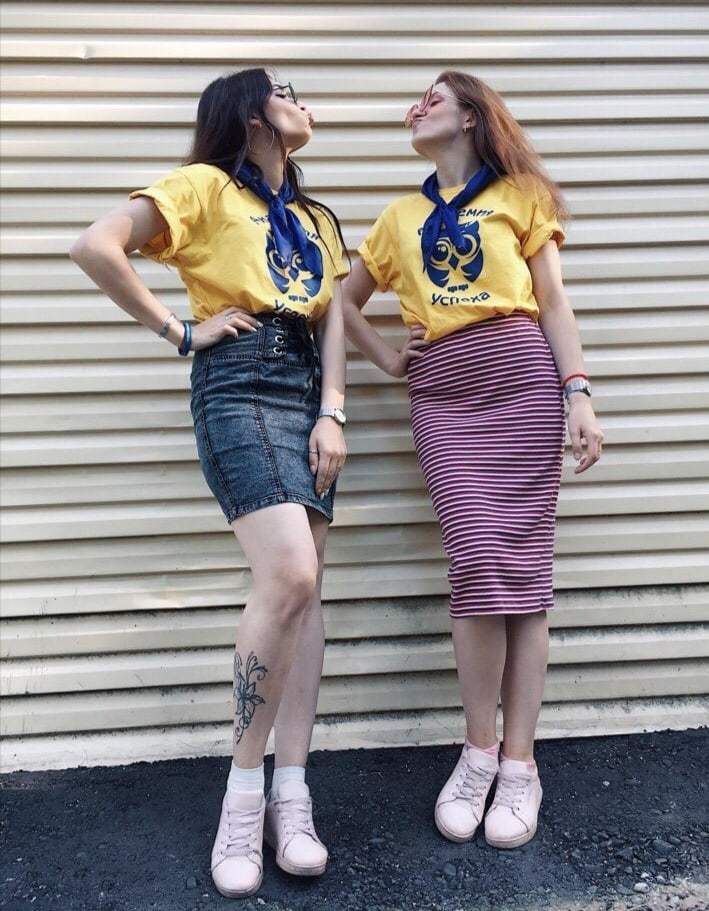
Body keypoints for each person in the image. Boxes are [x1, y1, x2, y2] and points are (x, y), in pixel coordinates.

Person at [70, 67, 349, 899]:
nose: (303, 100)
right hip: (239, 384)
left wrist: (333, 411)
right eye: (286, 90)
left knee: (307, 591)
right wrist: (180, 330)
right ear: (250, 114)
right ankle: (242, 793)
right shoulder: (202, 187)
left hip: (307, 391)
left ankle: (292, 794)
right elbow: (95, 245)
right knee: (288, 574)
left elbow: (335, 318)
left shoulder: (314, 217)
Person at [342, 71, 604, 850]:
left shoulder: (521, 195)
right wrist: (389, 358)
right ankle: (477, 751)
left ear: (469, 116)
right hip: (444, 394)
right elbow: (338, 303)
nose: (414, 107)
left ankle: (518, 765)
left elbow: (552, 301)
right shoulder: (397, 217)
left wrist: (577, 394)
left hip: (519, 378)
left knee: (521, 573)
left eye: (432, 97)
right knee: (476, 560)